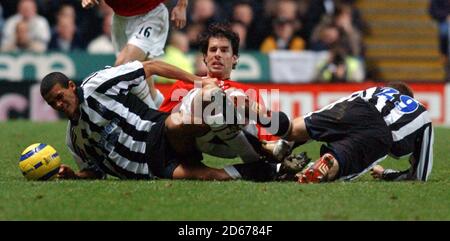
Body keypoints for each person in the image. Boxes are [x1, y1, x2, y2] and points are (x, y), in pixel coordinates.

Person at [40, 60, 301, 181]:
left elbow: (150, 66)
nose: (59, 105)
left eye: (60, 97)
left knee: (190, 118)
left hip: (157, 132)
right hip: (151, 170)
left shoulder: (98, 85)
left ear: (71, 86)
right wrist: (74, 175)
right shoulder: (74, 139)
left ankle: (264, 132)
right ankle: (270, 167)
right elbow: (94, 173)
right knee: (214, 176)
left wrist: (197, 80)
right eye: (53, 104)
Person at [159, 23, 291, 165]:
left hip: (234, 144)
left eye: (224, 50)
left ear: (234, 58)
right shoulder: (184, 85)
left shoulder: (249, 91)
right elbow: (162, 125)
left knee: (237, 97)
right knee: (211, 95)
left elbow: (264, 134)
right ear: (205, 57)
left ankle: (274, 135)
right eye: (213, 50)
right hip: (199, 137)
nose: (217, 55)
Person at [275, 82, 434, 183]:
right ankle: (329, 163)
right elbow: (419, 175)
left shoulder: (376, 91)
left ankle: (276, 147)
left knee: (298, 128)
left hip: (356, 108)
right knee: (343, 161)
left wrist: (289, 142)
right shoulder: (423, 116)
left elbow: (326, 116)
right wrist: (386, 173)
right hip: (380, 133)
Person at [81, 0, 189, 109]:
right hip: (120, 19)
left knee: (124, 67)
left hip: (150, 15)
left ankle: (152, 117)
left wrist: (181, 5)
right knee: (143, 76)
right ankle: (162, 108)